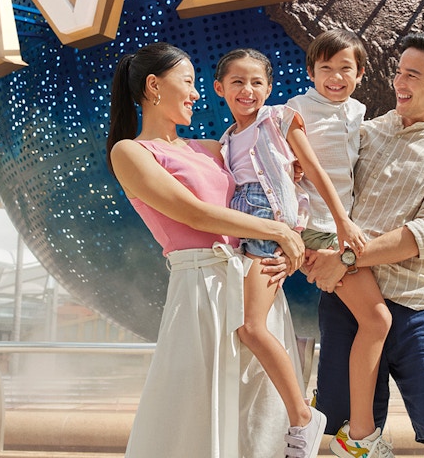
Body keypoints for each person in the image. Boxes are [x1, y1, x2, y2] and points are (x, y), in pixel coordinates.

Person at [106, 42, 309, 458]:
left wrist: (289, 228)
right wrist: (277, 231)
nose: (198, 94)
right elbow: (193, 213)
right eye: (188, 82)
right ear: (153, 85)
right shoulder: (131, 152)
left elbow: (268, 183)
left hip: (252, 276)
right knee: (193, 410)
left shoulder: (213, 147)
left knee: (259, 412)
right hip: (200, 289)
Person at [306, 32, 424, 458]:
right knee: (345, 440)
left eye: (412, 75)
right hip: (349, 302)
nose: (399, 83)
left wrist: (344, 258)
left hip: (418, 305)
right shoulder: (362, 134)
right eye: (398, 72)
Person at [213, 46, 365, 458]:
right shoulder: (226, 140)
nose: (248, 90)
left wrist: (341, 222)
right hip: (248, 233)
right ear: (220, 88)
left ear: (271, 87)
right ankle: (294, 418)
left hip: (272, 229)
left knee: (251, 327)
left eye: (257, 81)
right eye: (238, 82)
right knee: (246, 328)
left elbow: (312, 169)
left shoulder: (279, 118)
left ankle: (304, 416)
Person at [286, 29, 394, 457]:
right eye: (325, 68)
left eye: (344, 68)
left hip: (341, 227)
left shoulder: (359, 112)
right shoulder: (296, 109)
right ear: (310, 71)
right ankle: (356, 435)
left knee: (372, 323)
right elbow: (300, 167)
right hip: (317, 228)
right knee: (377, 321)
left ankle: (336, 423)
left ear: (360, 73)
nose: (334, 76)